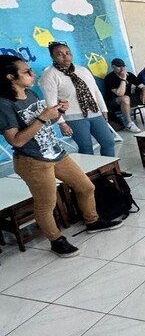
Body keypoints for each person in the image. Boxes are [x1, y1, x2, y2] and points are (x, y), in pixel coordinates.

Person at [0, 56, 122, 258]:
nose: (32, 74)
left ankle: (92, 221)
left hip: (55, 153)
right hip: (33, 160)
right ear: (10, 76)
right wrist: (42, 117)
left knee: (86, 186)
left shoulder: (30, 94)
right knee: (46, 203)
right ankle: (56, 239)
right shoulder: (4, 105)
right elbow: (17, 141)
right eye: (26, 71)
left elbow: (44, 124)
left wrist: (57, 114)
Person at [39, 41, 115, 157]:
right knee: (86, 147)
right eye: (60, 54)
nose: (65, 56)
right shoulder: (50, 75)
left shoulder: (82, 70)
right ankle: (90, 174)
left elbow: (95, 90)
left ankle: (110, 173)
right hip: (73, 117)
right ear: (52, 57)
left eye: (68, 53)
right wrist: (62, 124)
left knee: (108, 142)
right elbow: (51, 104)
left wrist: (104, 109)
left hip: (94, 112)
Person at [103, 58, 145, 133]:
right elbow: (120, 94)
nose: (122, 69)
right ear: (113, 67)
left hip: (129, 98)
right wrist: (123, 79)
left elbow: (142, 86)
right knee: (125, 98)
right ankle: (129, 123)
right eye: (119, 67)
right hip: (114, 101)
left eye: (123, 66)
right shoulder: (109, 78)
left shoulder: (129, 75)